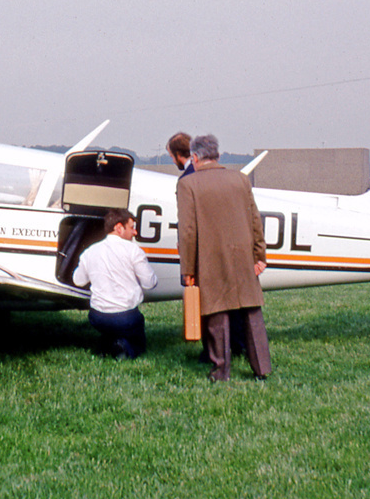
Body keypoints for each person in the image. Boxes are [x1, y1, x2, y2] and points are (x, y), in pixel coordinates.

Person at [177, 134, 271, 382]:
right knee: (251, 311)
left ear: (195, 158)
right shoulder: (240, 180)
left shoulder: (188, 185)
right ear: (217, 155)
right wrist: (259, 254)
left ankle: (221, 371)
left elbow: (187, 232)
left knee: (216, 314)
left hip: (210, 259)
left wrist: (187, 268)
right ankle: (262, 368)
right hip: (243, 257)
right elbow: (254, 220)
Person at [72, 209, 158, 359]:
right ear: (119, 228)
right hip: (126, 317)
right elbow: (149, 283)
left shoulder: (90, 251)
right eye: (132, 227)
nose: (135, 232)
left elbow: (78, 281)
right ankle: (124, 348)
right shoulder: (134, 251)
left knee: (111, 329)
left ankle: (106, 345)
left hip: (97, 317)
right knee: (139, 342)